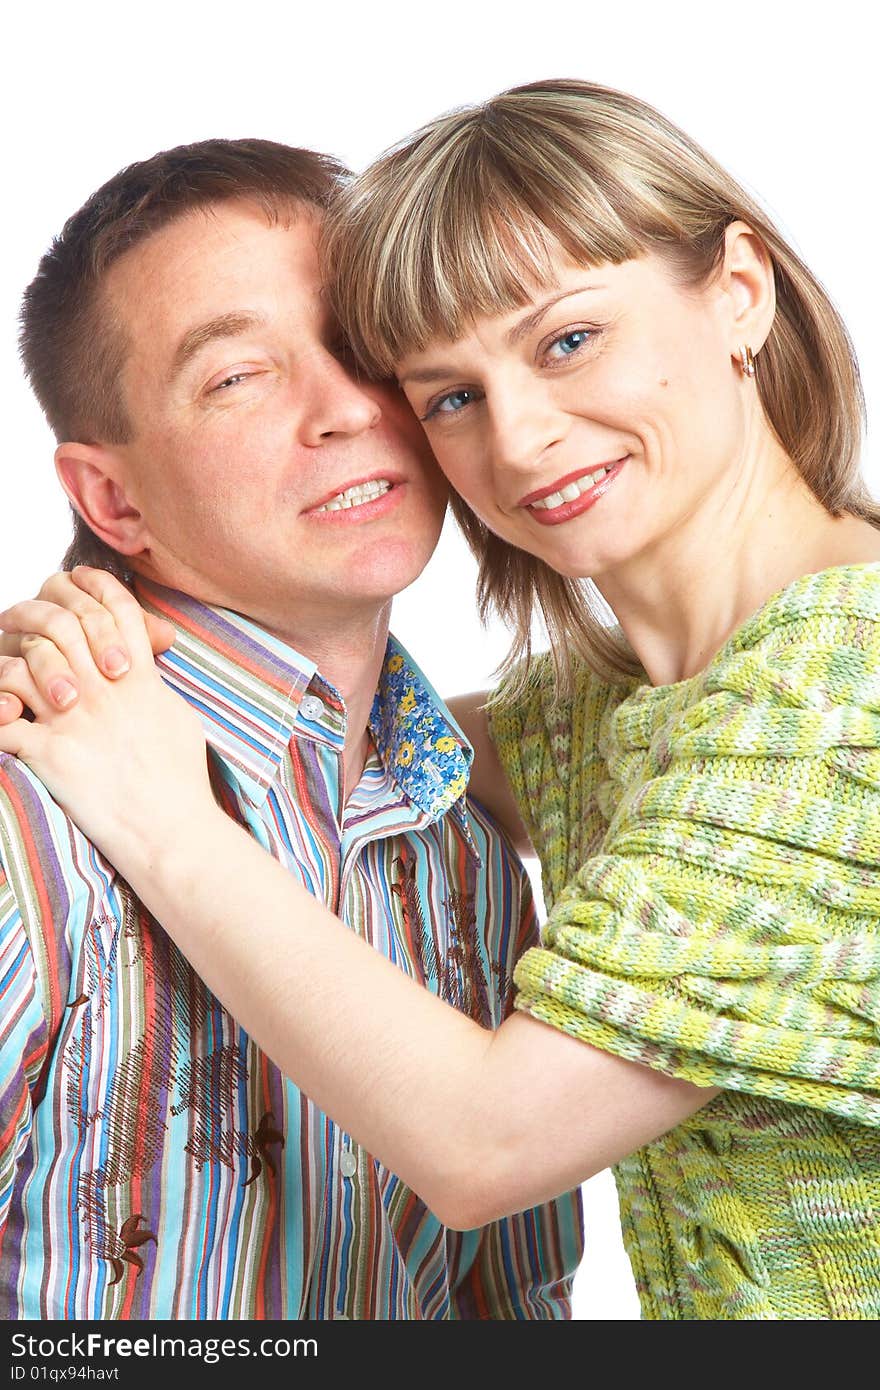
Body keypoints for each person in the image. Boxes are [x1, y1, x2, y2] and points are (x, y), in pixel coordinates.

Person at [3, 79, 880, 1320]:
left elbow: (485, 1147)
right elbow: (383, 749)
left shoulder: (841, 701)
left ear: (737, 290)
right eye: (447, 393)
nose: (516, 440)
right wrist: (84, 659)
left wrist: (164, 812)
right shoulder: (564, 729)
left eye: (569, 339)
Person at [0, 136, 584, 1320]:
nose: (346, 410)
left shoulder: (462, 846)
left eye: (362, 345)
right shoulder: (29, 823)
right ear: (112, 500)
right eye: (236, 376)